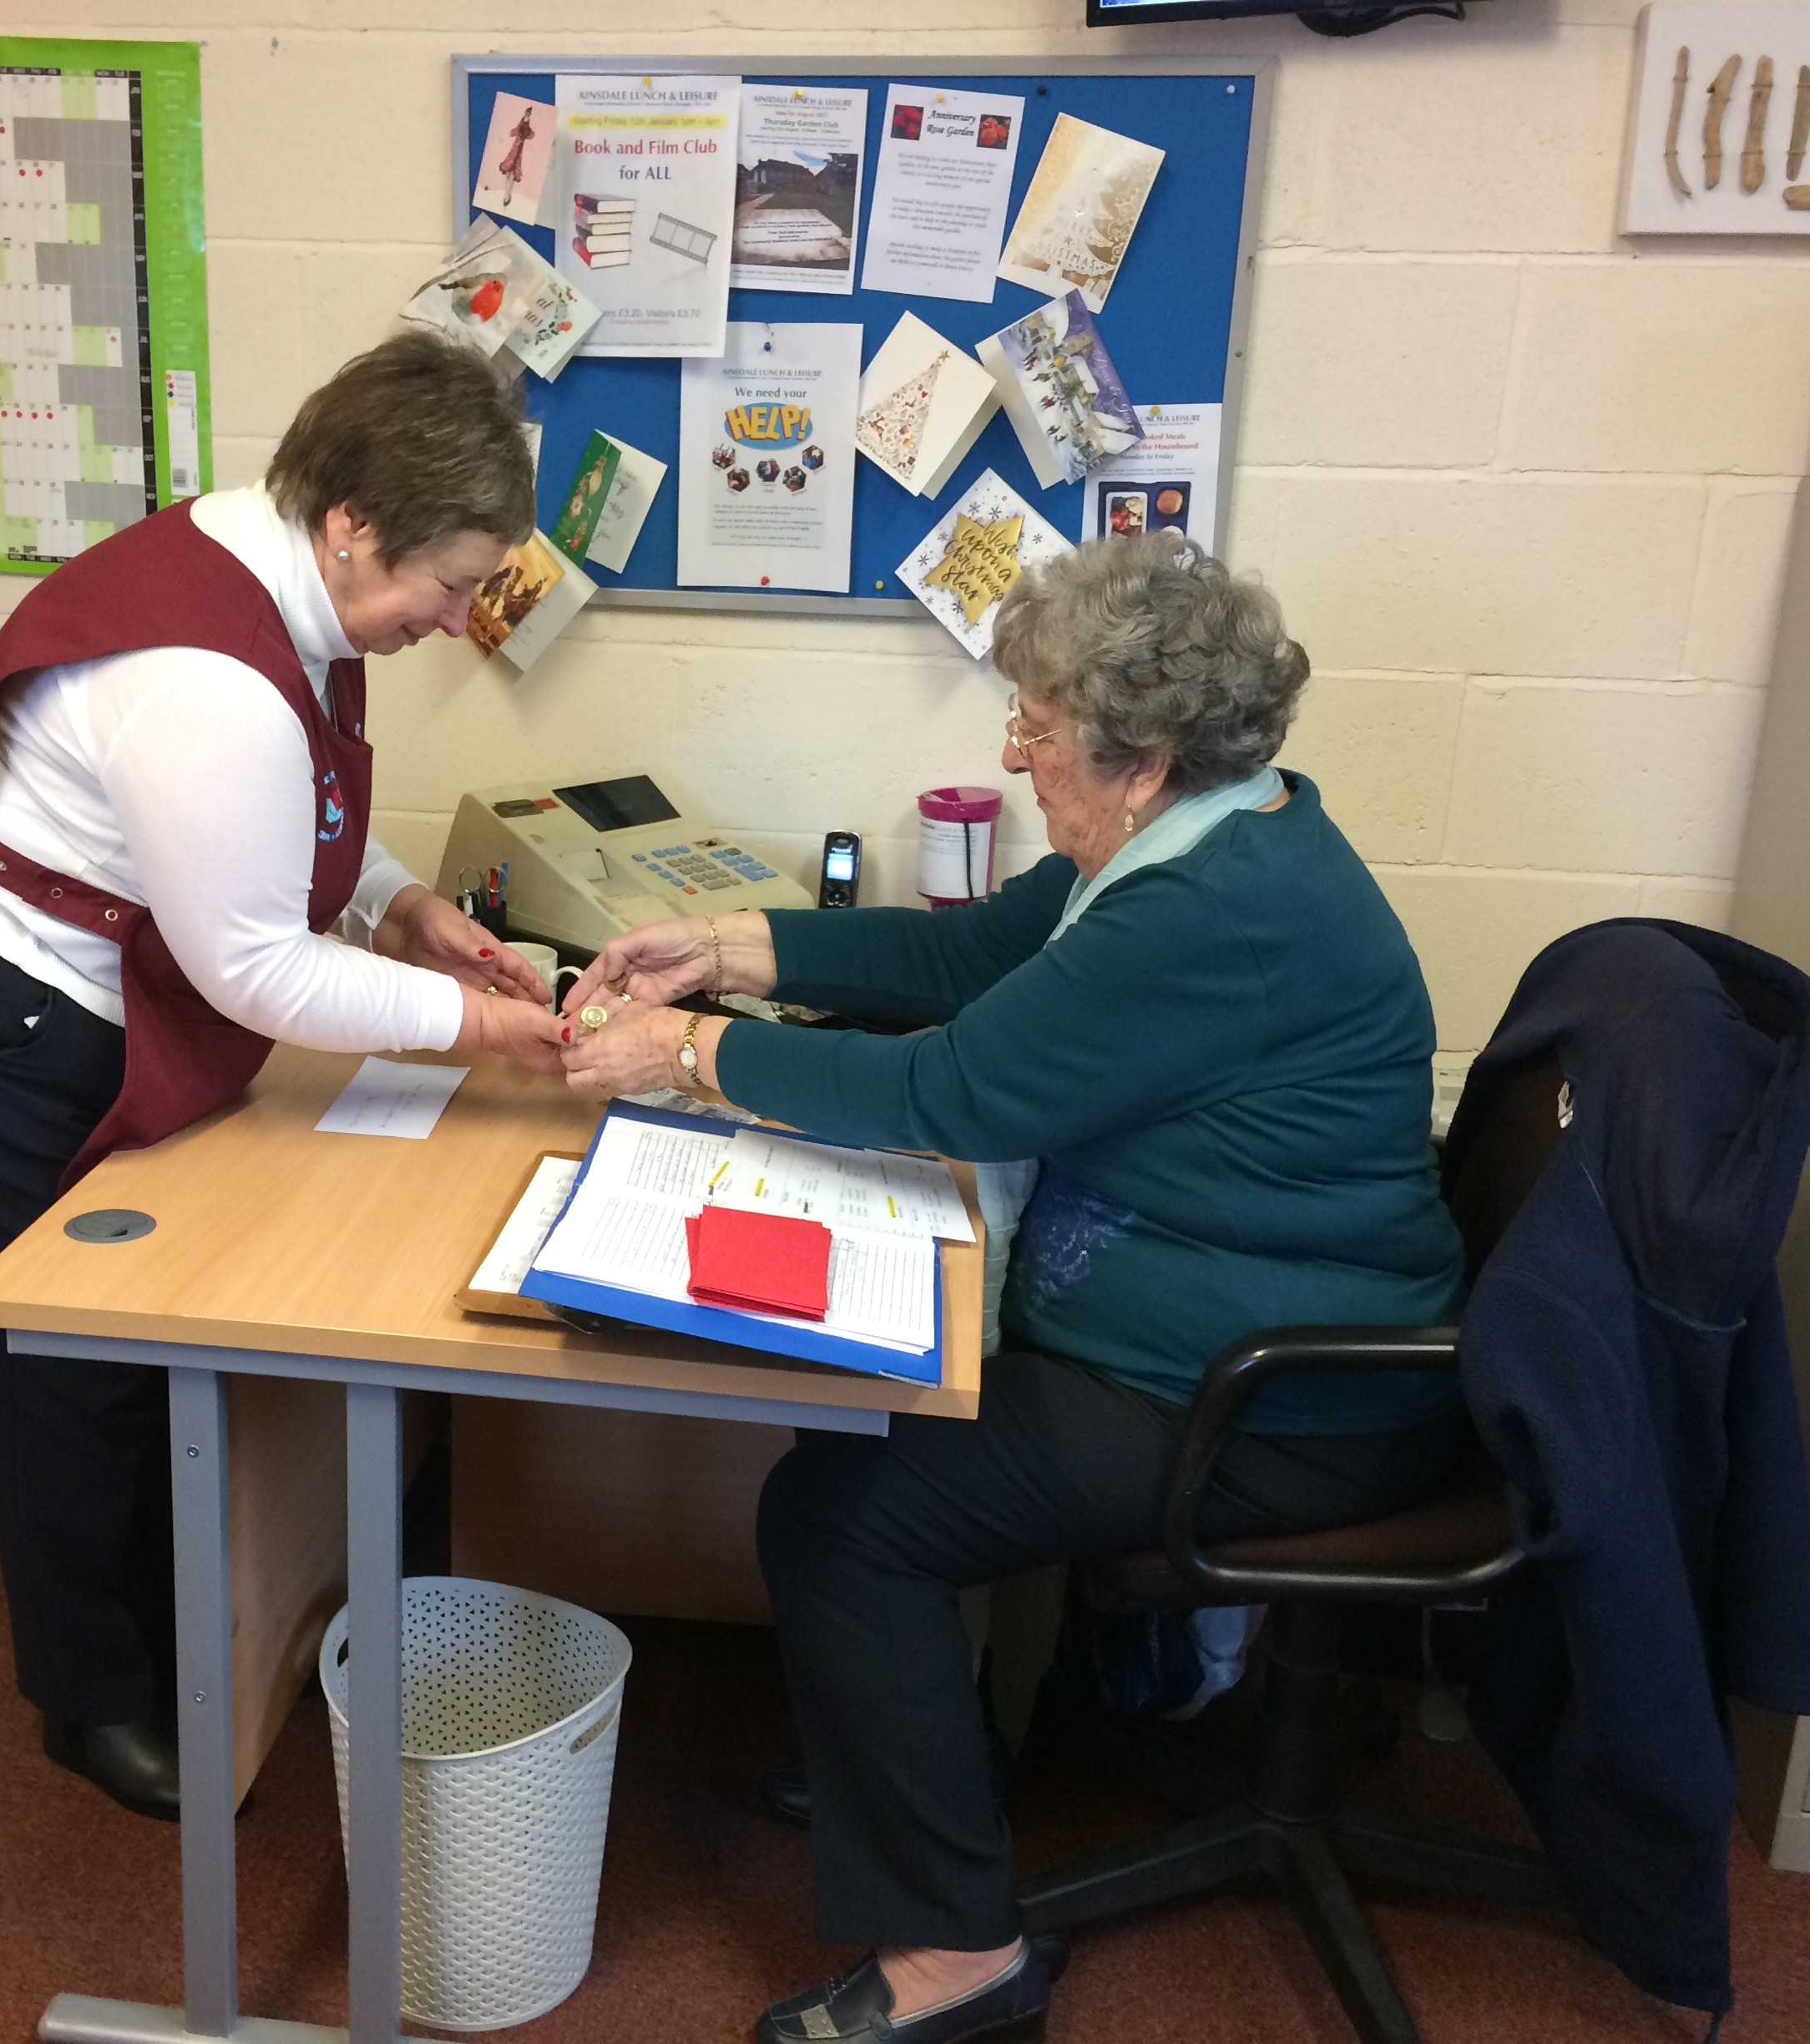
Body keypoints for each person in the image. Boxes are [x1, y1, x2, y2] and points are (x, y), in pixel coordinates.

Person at [559, 530, 1468, 2044]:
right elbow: (973, 957)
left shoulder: (1207, 910)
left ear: (1146, 759)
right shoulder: (1208, 836)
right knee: (877, 1434)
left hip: (1284, 1401)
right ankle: (920, 1766)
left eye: (1038, 732)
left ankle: (957, 1960)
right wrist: (721, 948)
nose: (1012, 753)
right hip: (1213, 1334)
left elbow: (958, 1086)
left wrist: (691, 1053)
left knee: (851, 1517)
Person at [0, 331, 563, 1821]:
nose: (458, 618)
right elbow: (256, 971)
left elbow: (296, 811)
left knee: (136, 1348)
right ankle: (89, 1699)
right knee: (59, 1369)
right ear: (354, 523)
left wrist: (404, 905)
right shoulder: (210, 679)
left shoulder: (281, 571)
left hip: (91, 978)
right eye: (451, 583)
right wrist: (476, 1027)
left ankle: (190, 1612)